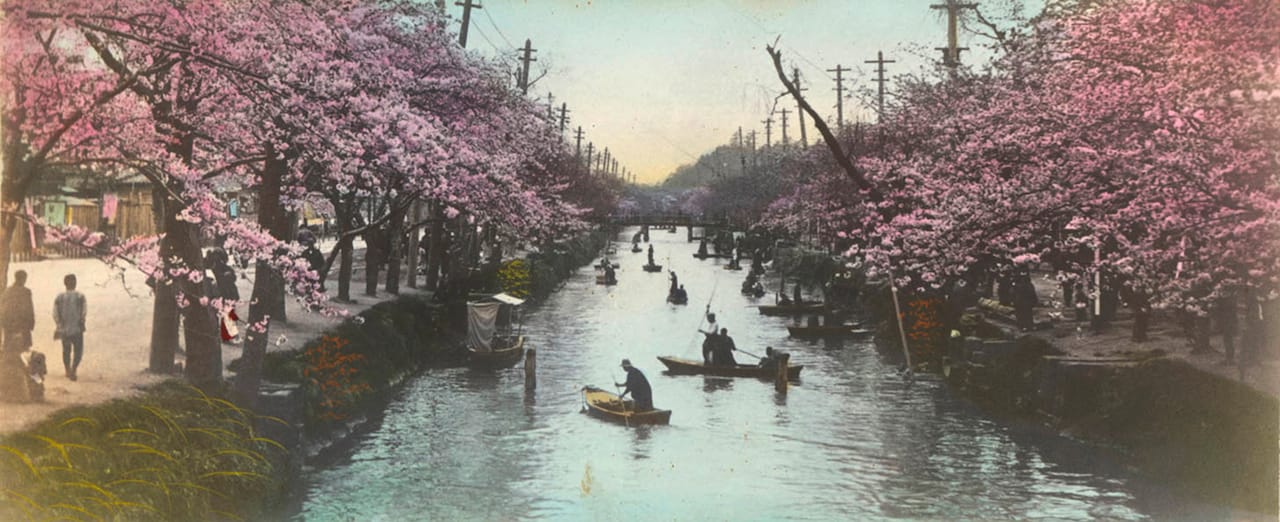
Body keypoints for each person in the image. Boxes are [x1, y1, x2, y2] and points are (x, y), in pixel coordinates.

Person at [52, 274, 87, 381]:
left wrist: (58, 324)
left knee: (66, 350)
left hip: (64, 328)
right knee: (78, 351)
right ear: (75, 283)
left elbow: (55, 313)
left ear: (65, 284)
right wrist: (81, 321)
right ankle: (74, 369)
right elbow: (84, 312)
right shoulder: (80, 296)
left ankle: (67, 370)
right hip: (77, 328)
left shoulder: (60, 297)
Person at [208, 250, 240, 342]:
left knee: (226, 314)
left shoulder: (215, 269)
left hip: (224, 293)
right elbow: (233, 278)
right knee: (228, 314)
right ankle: (229, 335)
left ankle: (227, 335)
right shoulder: (225, 268)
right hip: (228, 293)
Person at [1, 270, 35, 355]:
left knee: (8, 348)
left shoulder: (7, 291)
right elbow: (29, 308)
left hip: (9, 324)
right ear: (23, 279)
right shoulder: (26, 292)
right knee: (24, 349)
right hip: (23, 324)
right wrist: (31, 323)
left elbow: (2, 307)